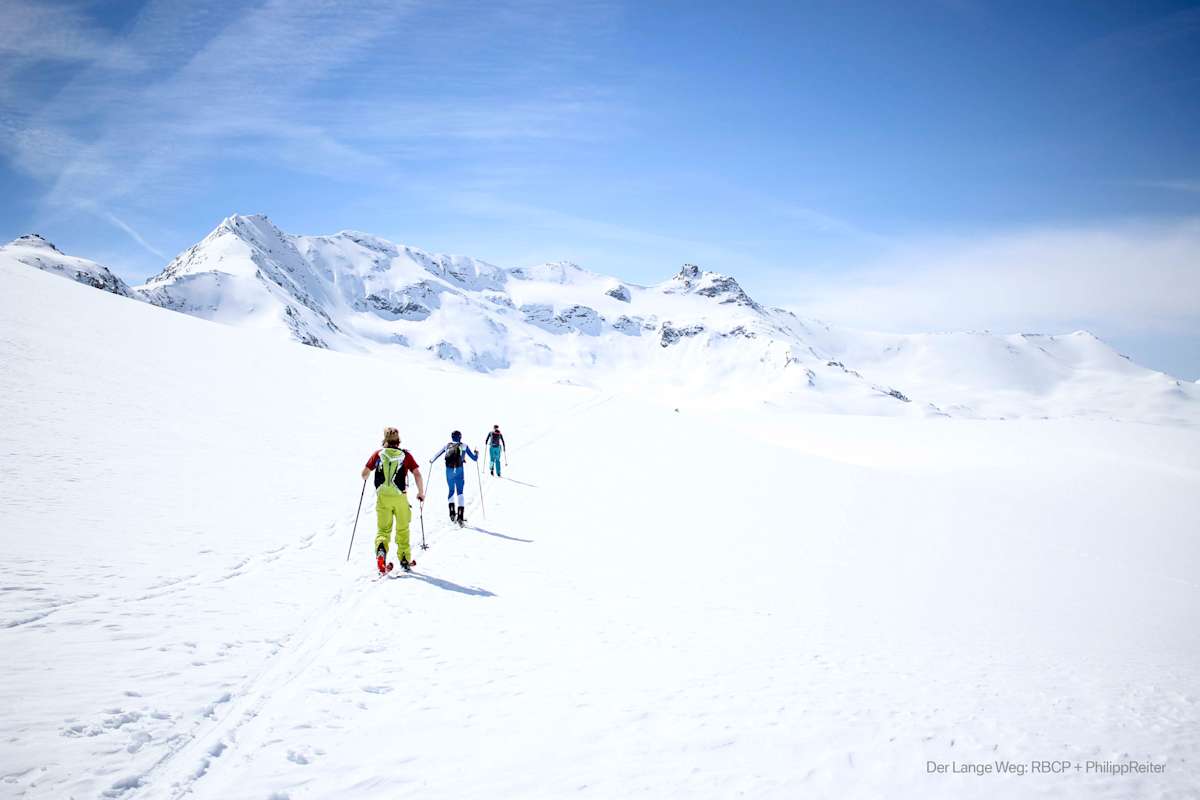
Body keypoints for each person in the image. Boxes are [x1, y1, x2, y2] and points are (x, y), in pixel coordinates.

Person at [361, 427, 425, 574]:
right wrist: (421, 493)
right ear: (398, 440)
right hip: (400, 497)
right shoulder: (405, 455)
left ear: (385, 439)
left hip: (383, 498)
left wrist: (367, 476)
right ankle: (404, 559)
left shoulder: (378, 454)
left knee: (383, 530)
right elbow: (417, 474)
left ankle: (381, 554)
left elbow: (364, 474)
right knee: (402, 528)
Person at [429, 430, 478, 526]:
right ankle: (460, 517)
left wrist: (431, 460)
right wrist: (477, 453)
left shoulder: (447, 445)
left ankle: (452, 513)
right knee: (460, 492)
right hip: (459, 470)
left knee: (451, 491)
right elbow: (474, 459)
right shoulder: (464, 446)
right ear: (460, 437)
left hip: (449, 471)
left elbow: (435, 456)